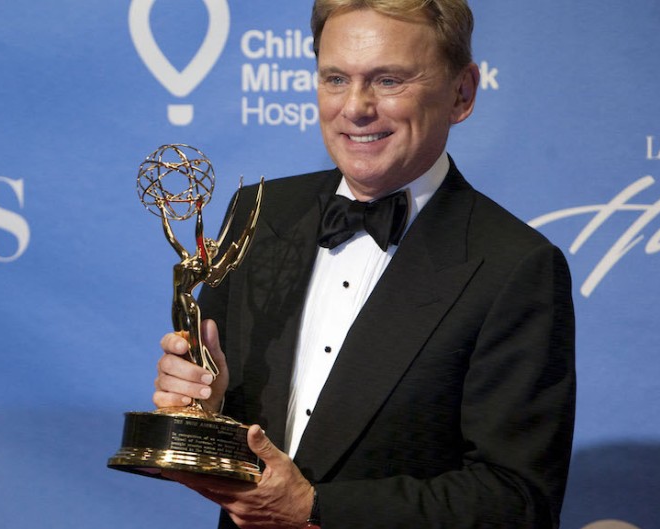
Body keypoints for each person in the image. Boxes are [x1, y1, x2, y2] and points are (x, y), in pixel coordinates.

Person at [152, 1, 576, 528]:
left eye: (389, 80)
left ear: (461, 93)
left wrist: (316, 510)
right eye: (335, 78)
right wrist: (205, 411)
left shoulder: (516, 267)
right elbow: (245, 444)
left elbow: (516, 500)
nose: (355, 107)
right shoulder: (258, 214)